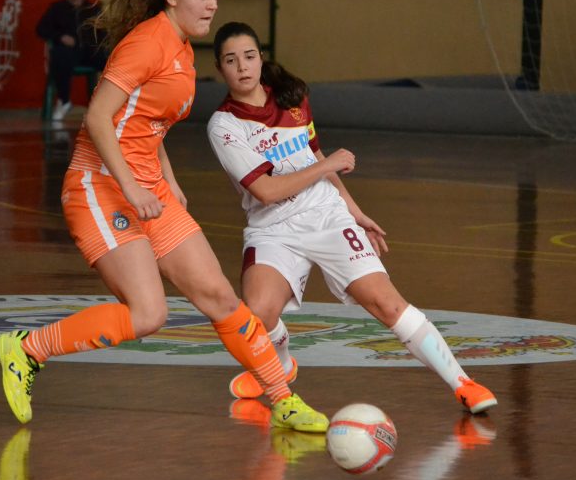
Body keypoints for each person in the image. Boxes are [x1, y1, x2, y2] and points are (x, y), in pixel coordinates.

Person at [0, 0, 327, 433]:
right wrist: (132, 188)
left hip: (149, 189)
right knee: (148, 313)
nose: (213, 4)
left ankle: (282, 398)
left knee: (218, 295)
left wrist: (168, 181)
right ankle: (26, 350)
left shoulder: (181, 51)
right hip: (99, 188)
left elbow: (149, 124)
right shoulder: (147, 42)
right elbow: (100, 118)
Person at [207, 21, 497, 414]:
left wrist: (355, 212)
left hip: (327, 216)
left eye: (249, 55)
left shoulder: (293, 99)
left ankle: (463, 383)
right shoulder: (224, 125)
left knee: (386, 304)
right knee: (258, 314)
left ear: (261, 58)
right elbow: (268, 190)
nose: (242, 66)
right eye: (231, 60)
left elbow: (317, 164)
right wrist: (328, 162)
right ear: (220, 70)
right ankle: (282, 364)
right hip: (273, 228)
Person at [36, 0, 108, 122]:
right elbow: (41, 29)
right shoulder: (56, 9)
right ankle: (64, 101)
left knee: (111, 59)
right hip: (68, 53)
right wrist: (60, 37)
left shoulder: (93, 10)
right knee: (60, 56)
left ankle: (110, 105)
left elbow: (104, 33)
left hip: (89, 53)